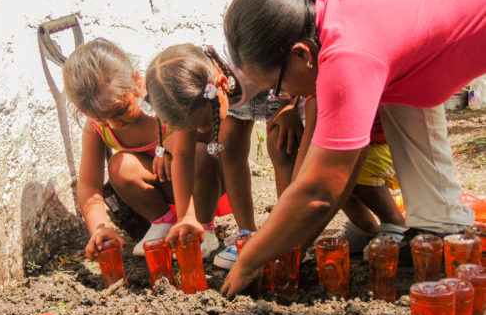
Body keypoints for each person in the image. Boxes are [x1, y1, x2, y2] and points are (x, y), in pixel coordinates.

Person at [221, 0, 483, 297]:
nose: (280, 96)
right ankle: (438, 223)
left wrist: (250, 261)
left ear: (301, 54)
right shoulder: (330, 7)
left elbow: (320, 191)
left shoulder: (350, 52)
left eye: (277, 86)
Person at [144, 43, 303, 269]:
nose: (202, 132)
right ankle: (247, 232)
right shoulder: (190, 91)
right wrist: (186, 216)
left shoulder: (248, 58)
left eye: (203, 123)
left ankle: (290, 234)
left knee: (281, 144)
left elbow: (287, 54)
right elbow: (183, 155)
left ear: (217, 86)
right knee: (229, 144)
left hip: (280, 88)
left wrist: (291, 104)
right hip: (235, 96)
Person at [63, 38, 221, 261]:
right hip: (164, 188)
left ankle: (204, 228)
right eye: (102, 119)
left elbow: (205, 132)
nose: (114, 124)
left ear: (137, 81)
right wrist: (99, 227)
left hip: (201, 185)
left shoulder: (163, 94)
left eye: (120, 111)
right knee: (120, 166)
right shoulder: (96, 127)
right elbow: (89, 185)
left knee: (200, 153)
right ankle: (163, 224)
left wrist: (172, 144)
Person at [295, 96, 406, 253]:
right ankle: (364, 226)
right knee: (332, 171)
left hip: (387, 149)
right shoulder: (313, 95)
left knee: (336, 174)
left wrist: (297, 244)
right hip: (364, 148)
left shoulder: (317, 99)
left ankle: (395, 223)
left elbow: (303, 169)